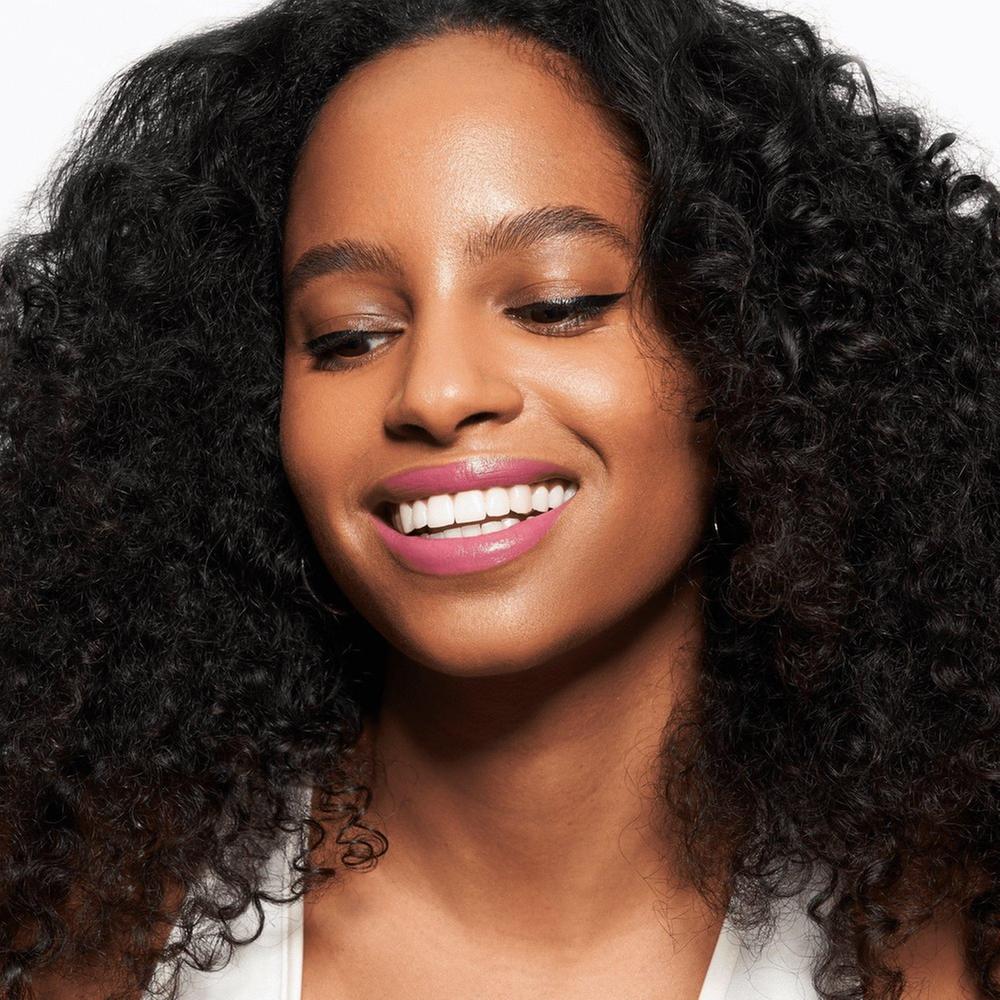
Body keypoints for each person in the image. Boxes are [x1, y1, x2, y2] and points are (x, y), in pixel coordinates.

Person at [1, 1, 997, 998]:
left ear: (755, 352)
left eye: (556, 306)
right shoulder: (94, 920)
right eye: (349, 334)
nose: (434, 394)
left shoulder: (940, 941)